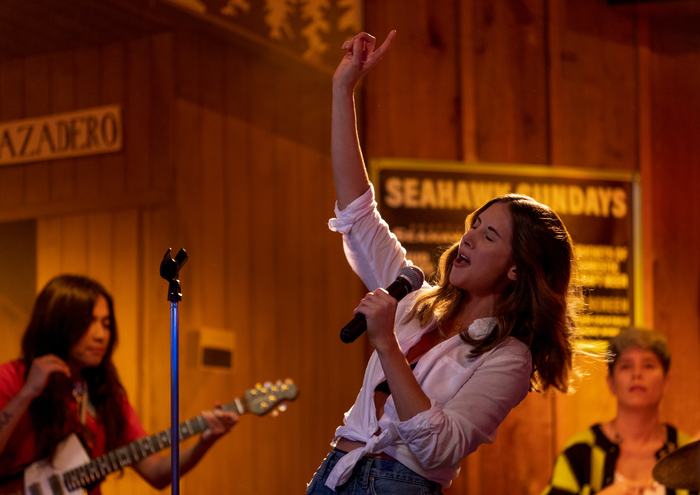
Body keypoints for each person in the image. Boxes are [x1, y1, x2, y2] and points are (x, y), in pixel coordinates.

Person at [305, 31, 582, 494]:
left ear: (518, 267)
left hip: (397, 482)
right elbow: (357, 213)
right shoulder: (416, 299)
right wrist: (343, 89)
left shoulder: (508, 356)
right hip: (338, 469)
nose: (468, 238)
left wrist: (387, 344)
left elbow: (440, 448)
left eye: (488, 234)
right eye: (473, 225)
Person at [0, 274, 237, 495]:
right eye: (89, 322)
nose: (101, 335)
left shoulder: (105, 395)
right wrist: (28, 392)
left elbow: (156, 473)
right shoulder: (11, 378)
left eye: (106, 323)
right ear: (57, 323)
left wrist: (204, 442)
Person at [541, 329, 695, 495]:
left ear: (666, 381)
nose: (637, 374)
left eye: (648, 365)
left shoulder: (689, 452)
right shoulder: (579, 452)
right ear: (611, 383)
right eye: (625, 366)